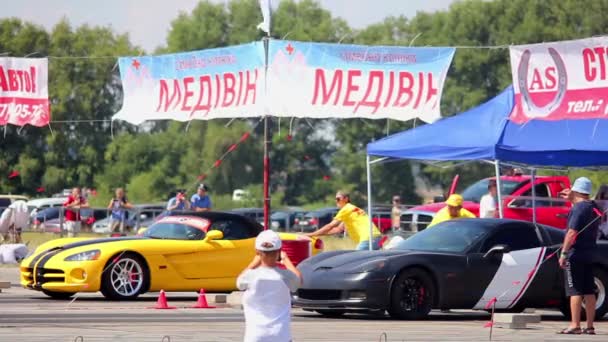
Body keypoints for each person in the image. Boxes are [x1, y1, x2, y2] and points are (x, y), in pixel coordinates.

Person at [237, 230, 301, 342]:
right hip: (281, 335)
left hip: (255, 335)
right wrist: (286, 260)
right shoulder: (286, 276)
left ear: (257, 251)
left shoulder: (250, 276)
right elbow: (298, 280)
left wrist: (254, 262)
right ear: (279, 251)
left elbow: (239, 283)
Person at [557, 177, 600, 335]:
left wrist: (563, 253)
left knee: (574, 290)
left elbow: (572, 232)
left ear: (574, 190)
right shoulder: (593, 206)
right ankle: (589, 326)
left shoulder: (578, 208)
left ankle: (575, 325)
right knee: (589, 290)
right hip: (590, 253)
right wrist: (572, 200)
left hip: (575, 255)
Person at [305, 191, 382, 250]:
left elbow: (330, 226)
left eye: (338, 199)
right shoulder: (352, 209)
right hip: (376, 238)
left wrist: (312, 234)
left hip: (368, 239)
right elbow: (338, 230)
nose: (336, 201)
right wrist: (319, 234)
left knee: (355, 262)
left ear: (346, 199)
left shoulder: (346, 209)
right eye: (335, 199)